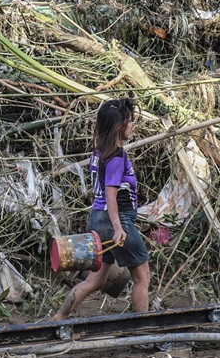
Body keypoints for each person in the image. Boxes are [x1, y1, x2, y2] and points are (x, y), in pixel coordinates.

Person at [52, 98, 151, 320]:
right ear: (119, 126)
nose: (132, 126)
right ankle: (143, 327)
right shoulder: (116, 157)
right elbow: (110, 195)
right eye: (129, 122)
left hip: (97, 220)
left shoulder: (98, 154)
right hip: (115, 221)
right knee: (142, 277)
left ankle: (59, 317)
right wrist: (118, 228)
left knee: (94, 280)